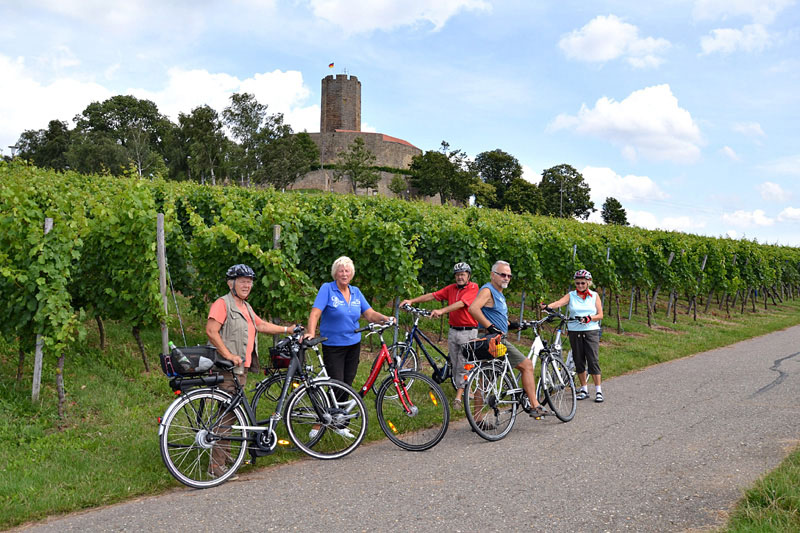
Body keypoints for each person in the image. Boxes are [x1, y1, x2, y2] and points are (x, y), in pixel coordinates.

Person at [205, 263, 296, 478]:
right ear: (231, 283)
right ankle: (215, 467)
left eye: (249, 281)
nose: (247, 285)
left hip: (240, 369)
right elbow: (211, 330)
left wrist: (287, 329)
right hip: (227, 368)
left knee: (230, 414)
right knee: (226, 416)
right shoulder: (222, 304)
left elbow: (261, 325)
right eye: (242, 281)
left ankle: (226, 457)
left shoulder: (245, 307)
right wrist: (228, 355)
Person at [468, 260, 548, 418]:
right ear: (493, 275)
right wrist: (491, 327)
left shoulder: (498, 293)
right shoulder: (488, 290)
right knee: (527, 366)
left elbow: (496, 316)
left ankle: (476, 419)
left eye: (509, 276)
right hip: (495, 339)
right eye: (502, 274)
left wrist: (512, 325)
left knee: (485, 379)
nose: (506, 278)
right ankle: (535, 405)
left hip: (489, 338)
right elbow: (473, 308)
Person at [399, 262, 479, 409]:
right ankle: (465, 388)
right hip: (453, 330)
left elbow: (462, 303)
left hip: (468, 331)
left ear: (468, 275)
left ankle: (459, 398)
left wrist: (442, 311)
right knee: (456, 364)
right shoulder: (451, 288)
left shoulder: (473, 287)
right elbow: (433, 295)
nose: (459, 277)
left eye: (462, 274)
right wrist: (412, 301)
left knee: (463, 364)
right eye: (457, 275)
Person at [305, 256, 391, 391]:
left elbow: (370, 314)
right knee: (337, 384)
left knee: (348, 383)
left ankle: (340, 411)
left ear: (351, 274)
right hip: (333, 345)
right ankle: (332, 410)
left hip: (353, 344)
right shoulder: (327, 289)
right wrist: (311, 332)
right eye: (341, 271)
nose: (344, 274)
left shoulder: (355, 292)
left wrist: (385, 318)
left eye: (347, 271)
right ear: (335, 273)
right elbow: (315, 313)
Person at [543, 269, 604, 402]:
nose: (580, 286)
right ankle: (584, 389)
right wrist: (548, 306)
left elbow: (600, 315)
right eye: (577, 283)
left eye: (582, 283)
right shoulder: (571, 295)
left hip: (591, 330)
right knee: (578, 360)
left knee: (593, 359)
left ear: (588, 283)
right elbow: (559, 303)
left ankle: (598, 390)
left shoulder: (594, 296)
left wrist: (589, 318)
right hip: (574, 331)